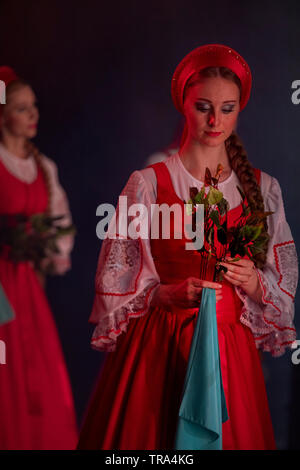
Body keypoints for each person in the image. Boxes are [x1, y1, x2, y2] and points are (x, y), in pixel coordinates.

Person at [77, 44, 298, 450]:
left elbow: (282, 279)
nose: (215, 120)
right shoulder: (146, 183)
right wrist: (161, 292)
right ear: (184, 104)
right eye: (203, 107)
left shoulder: (264, 189)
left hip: (228, 351)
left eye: (227, 108)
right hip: (159, 347)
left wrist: (254, 282)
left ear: (239, 110)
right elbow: (115, 274)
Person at [0, 66, 78, 449]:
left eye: (33, 107)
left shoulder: (44, 167)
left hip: (27, 285)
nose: (32, 115)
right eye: (20, 108)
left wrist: (45, 249)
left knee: (34, 366)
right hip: (1, 284)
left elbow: (58, 228)